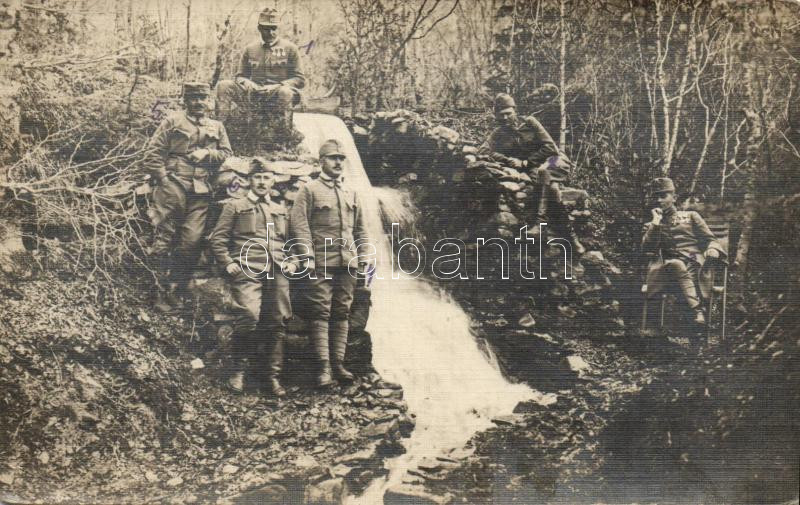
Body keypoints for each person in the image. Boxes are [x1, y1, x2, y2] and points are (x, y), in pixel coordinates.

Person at [208, 164, 297, 396]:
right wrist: (227, 262)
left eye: (266, 177)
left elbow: (291, 243)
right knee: (249, 315)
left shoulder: (280, 209)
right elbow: (218, 239)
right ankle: (238, 371)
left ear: (273, 182)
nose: (262, 182)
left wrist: (293, 262)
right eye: (257, 177)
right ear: (249, 180)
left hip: (277, 268)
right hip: (248, 268)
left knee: (279, 318)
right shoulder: (235, 206)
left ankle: (273, 377)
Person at [289, 139, 370, 388]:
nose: (338, 163)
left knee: (342, 311)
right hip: (321, 262)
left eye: (341, 158)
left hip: (348, 262)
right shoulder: (309, 190)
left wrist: (363, 257)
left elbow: (360, 229)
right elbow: (300, 226)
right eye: (333, 158)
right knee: (320, 311)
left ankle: (339, 364)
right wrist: (307, 257)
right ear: (321, 161)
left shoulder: (351, 192)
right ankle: (323, 368)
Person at [144, 82, 232, 312]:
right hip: (173, 186)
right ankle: (156, 291)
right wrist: (164, 180)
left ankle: (174, 289)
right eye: (194, 98)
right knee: (163, 240)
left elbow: (226, 153)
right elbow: (153, 154)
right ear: (186, 100)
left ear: (209, 100)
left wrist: (207, 153)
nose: (199, 102)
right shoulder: (172, 121)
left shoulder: (217, 126)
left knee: (191, 242)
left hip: (201, 192)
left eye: (203, 98)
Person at [481, 93, 583, 252]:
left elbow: (551, 148)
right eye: (501, 115)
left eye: (508, 113)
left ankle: (540, 223)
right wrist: (507, 160)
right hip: (536, 169)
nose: (506, 118)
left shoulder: (530, 122)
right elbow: (483, 150)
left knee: (544, 171)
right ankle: (572, 238)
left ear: (514, 110)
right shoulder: (499, 133)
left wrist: (526, 162)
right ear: (496, 116)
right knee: (551, 188)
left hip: (555, 160)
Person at [642, 177, 727, 325]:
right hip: (666, 271)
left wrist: (713, 249)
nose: (659, 200)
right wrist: (655, 223)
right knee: (676, 264)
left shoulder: (691, 216)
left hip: (694, 264)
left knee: (683, 267)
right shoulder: (651, 225)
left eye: (663, 196)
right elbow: (646, 249)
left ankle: (693, 321)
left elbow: (711, 239)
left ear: (674, 198)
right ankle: (698, 310)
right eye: (656, 197)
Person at [215, 8, 305, 130]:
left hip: (277, 94)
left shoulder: (290, 48)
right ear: (259, 28)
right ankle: (220, 130)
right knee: (224, 85)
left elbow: (300, 79)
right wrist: (247, 82)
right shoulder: (250, 49)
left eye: (274, 28)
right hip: (254, 93)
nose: (271, 32)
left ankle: (284, 133)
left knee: (285, 92)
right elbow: (240, 76)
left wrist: (278, 86)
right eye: (266, 29)